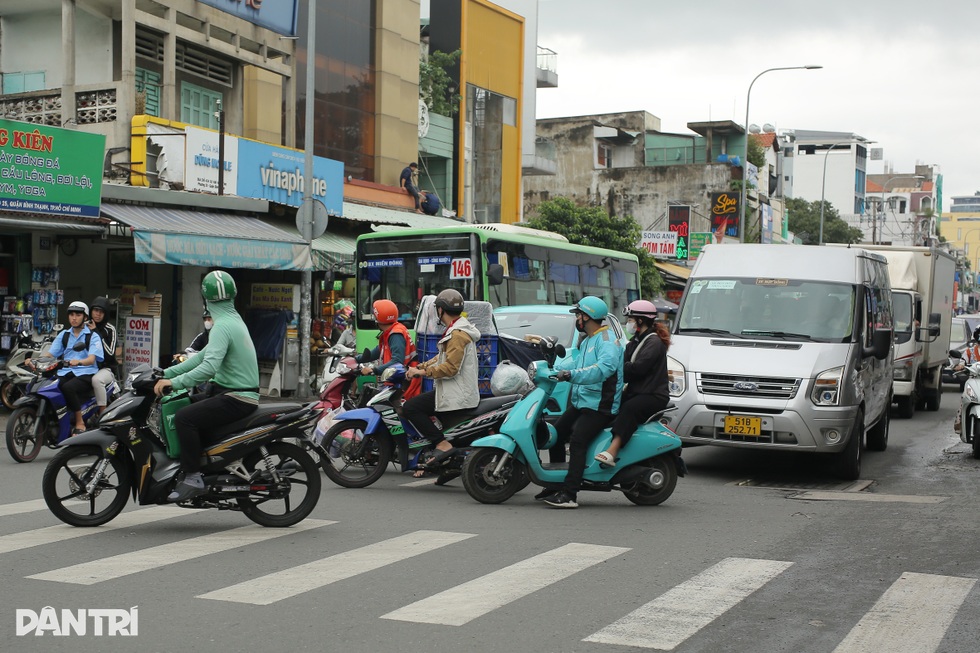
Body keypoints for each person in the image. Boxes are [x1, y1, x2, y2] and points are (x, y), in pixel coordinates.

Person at [154, 270, 259, 502]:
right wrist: (165, 373)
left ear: (206, 299)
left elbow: (208, 369)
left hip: (237, 397)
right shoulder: (233, 320)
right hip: (229, 392)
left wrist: (174, 382)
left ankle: (192, 476)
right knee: (184, 403)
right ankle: (206, 463)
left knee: (184, 417)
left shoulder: (222, 326)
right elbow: (201, 357)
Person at [541, 296, 623, 509]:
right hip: (583, 403)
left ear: (587, 316)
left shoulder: (606, 341)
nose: (576, 319)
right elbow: (574, 364)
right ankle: (554, 484)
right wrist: (550, 370)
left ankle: (570, 494)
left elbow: (603, 369)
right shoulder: (588, 340)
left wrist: (570, 375)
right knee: (555, 434)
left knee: (578, 440)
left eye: (578, 315)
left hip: (601, 406)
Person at [403, 289, 480, 476]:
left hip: (457, 394)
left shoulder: (458, 334)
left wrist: (422, 372)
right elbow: (442, 357)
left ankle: (441, 444)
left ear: (440, 310)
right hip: (455, 390)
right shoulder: (457, 329)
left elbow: (450, 368)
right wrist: (420, 366)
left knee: (411, 408)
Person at [594, 300, 670, 467]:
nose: (628, 323)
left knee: (629, 409)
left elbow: (637, 369)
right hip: (637, 392)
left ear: (640, 321)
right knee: (606, 404)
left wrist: (618, 364)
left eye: (630, 319)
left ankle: (612, 451)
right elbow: (622, 363)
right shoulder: (635, 342)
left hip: (653, 396)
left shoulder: (654, 343)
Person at [47, 301, 104, 434]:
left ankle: (79, 422)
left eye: (78, 315)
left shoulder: (92, 336)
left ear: (85, 317)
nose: (74, 318)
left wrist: (78, 362)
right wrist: (34, 361)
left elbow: (91, 359)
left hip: (86, 372)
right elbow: (50, 354)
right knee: (50, 387)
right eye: (71, 314)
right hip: (65, 371)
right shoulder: (64, 335)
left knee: (68, 388)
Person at [357, 299, 421, 400]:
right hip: (396, 380)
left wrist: (373, 370)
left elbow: (397, 361)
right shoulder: (391, 331)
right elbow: (379, 350)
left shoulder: (395, 334)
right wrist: (357, 359)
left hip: (402, 382)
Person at [88, 296, 118, 416]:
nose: (98, 314)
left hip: (105, 368)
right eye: (95, 310)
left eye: (101, 312)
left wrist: (96, 333)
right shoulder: (84, 326)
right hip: (87, 365)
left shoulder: (110, 329)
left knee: (97, 380)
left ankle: (102, 414)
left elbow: (110, 354)